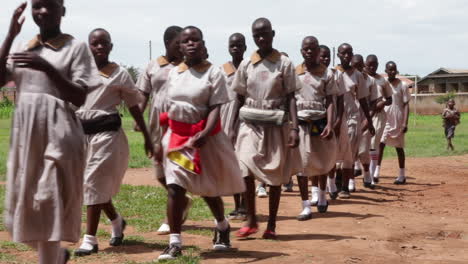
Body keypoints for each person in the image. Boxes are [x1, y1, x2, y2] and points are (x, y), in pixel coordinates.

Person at [1, 1, 101, 263]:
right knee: (20, 212)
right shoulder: (24, 47)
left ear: (63, 11)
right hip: (26, 137)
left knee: (48, 201)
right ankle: (56, 255)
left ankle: (51, 258)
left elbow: (79, 96)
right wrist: (10, 36)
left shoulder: (75, 48)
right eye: (37, 6)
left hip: (59, 133)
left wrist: (47, 67)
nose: (42, 12)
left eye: (50, 6)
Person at [157, 26, 245, 260]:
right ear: (180, 46)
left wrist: (205, 132)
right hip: (178, 138)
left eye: (195, 40)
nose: (191, 44)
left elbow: (217, 107)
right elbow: (169, 107)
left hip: (205, 140)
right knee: (175, 187)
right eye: (186, 41)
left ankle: (223, 226)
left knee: (208, 190)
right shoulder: (175, 73)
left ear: (202, 43)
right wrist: (162, 139)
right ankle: (175, 242)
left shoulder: (213, 73)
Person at [74, 28, 153, 256]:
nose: (99, 47)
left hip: (106, 135)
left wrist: (147, 136)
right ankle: (117, 221)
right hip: (81, 135)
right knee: (91, 186)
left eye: (104, 43)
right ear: (88, 47)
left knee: (93, 182)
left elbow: (134, 107)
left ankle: (90, 239)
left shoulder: (119, 74)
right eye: (95, 43)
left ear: (111, 46)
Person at [230, 18, 301, 239]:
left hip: (276, 124)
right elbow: (239, 97)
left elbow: (291, 97)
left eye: (265, 34)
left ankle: (271, 224)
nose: (261, 38)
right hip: (249, 123)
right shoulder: (246, 64)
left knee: (275, 175)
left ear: (273, 34)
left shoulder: (284, 63)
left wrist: (294, 128)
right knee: (245, 169)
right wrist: (232, 126)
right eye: (256, 35)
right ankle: (251, 219)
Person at [136, 26, 193, 235]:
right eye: (179, 43)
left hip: (179, 126)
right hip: (156, 126)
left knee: (176, 171)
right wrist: (138, 116)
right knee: (160, 172)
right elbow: (142, 93)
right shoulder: (153, 66)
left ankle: (171, 216)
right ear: (168, 43)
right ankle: (183, 202)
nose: (183, 46)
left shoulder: (187, 67)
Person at [295, 37, 338, 221]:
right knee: (302, 164)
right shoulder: (294, 72)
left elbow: (330, 100)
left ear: (318, 52)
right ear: (301, 51)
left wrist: (329, 123)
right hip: (300, 122)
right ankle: (305, 205)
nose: (309, 52)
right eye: (306, 49)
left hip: (319, 122)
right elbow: (289, 97)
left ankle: (321, 196)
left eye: (313, 49)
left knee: (321, 162)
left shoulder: (326, 74)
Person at [335, 43, 375, 198]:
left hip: (352, 118)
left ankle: (345, 186)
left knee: (349, 154)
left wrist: (369, 121)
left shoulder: (357, 75)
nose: (346, 55)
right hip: (336, 119)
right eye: (343, 53)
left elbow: (363, 100)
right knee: (335, 153)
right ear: (338, 55)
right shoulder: (332, 73)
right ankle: (335, 182)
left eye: (349, 53)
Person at [221, 33, 248, 221]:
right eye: (232, 45)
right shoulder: (222, 70)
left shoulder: (249, 68)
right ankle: (237, 205)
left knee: (244, 165)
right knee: (231, 166)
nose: (236, 48)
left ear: (245, 47)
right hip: (226, 120)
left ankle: (246, 205)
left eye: (239, 45)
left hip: (245, 120)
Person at [374, 61, 410, 185]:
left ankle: (401, 175)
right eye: (390, 70)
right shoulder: (383, 84)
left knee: (399, 148)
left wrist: (405, 123)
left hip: (398, 119)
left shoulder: (403, 85)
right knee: (381, 144)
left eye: (394, 69)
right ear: (386, 71)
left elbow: (406, 105)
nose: (392, 72)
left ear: (397, 71)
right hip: (385, 118)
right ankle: (376, 173)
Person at [319, 45, 344, 200]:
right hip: (315, 118)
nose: (326, 59)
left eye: (328, 56)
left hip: (331, 118)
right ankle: (318, 190)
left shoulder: (336, 75)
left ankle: (332, 183)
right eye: (323, 56)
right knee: (317, 154)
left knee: (331, 153)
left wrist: (339, 119)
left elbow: (340, 99)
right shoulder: (311, 74)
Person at [351, 54, 379, 188]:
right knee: (349, 152)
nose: (357, 68)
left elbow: (373, 103)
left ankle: (367, 173)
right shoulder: (346, 78)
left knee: (363, 151)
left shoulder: (370, 81)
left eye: (359, 65)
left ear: (363, 66)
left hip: (364, 118)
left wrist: (369, 120)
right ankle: (350, 180)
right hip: (349, 117)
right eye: (354, 66)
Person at [364, 55, 393, 183]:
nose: (372, 67)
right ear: (365, 64)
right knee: (361, 144)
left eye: (374, 64)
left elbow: (389, 99)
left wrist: (383, 103)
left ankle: (371, 175)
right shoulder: (362, 78)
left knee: (373, 144)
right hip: (363, 114)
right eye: (369, 64)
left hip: (378, 115)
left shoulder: (382, 80)